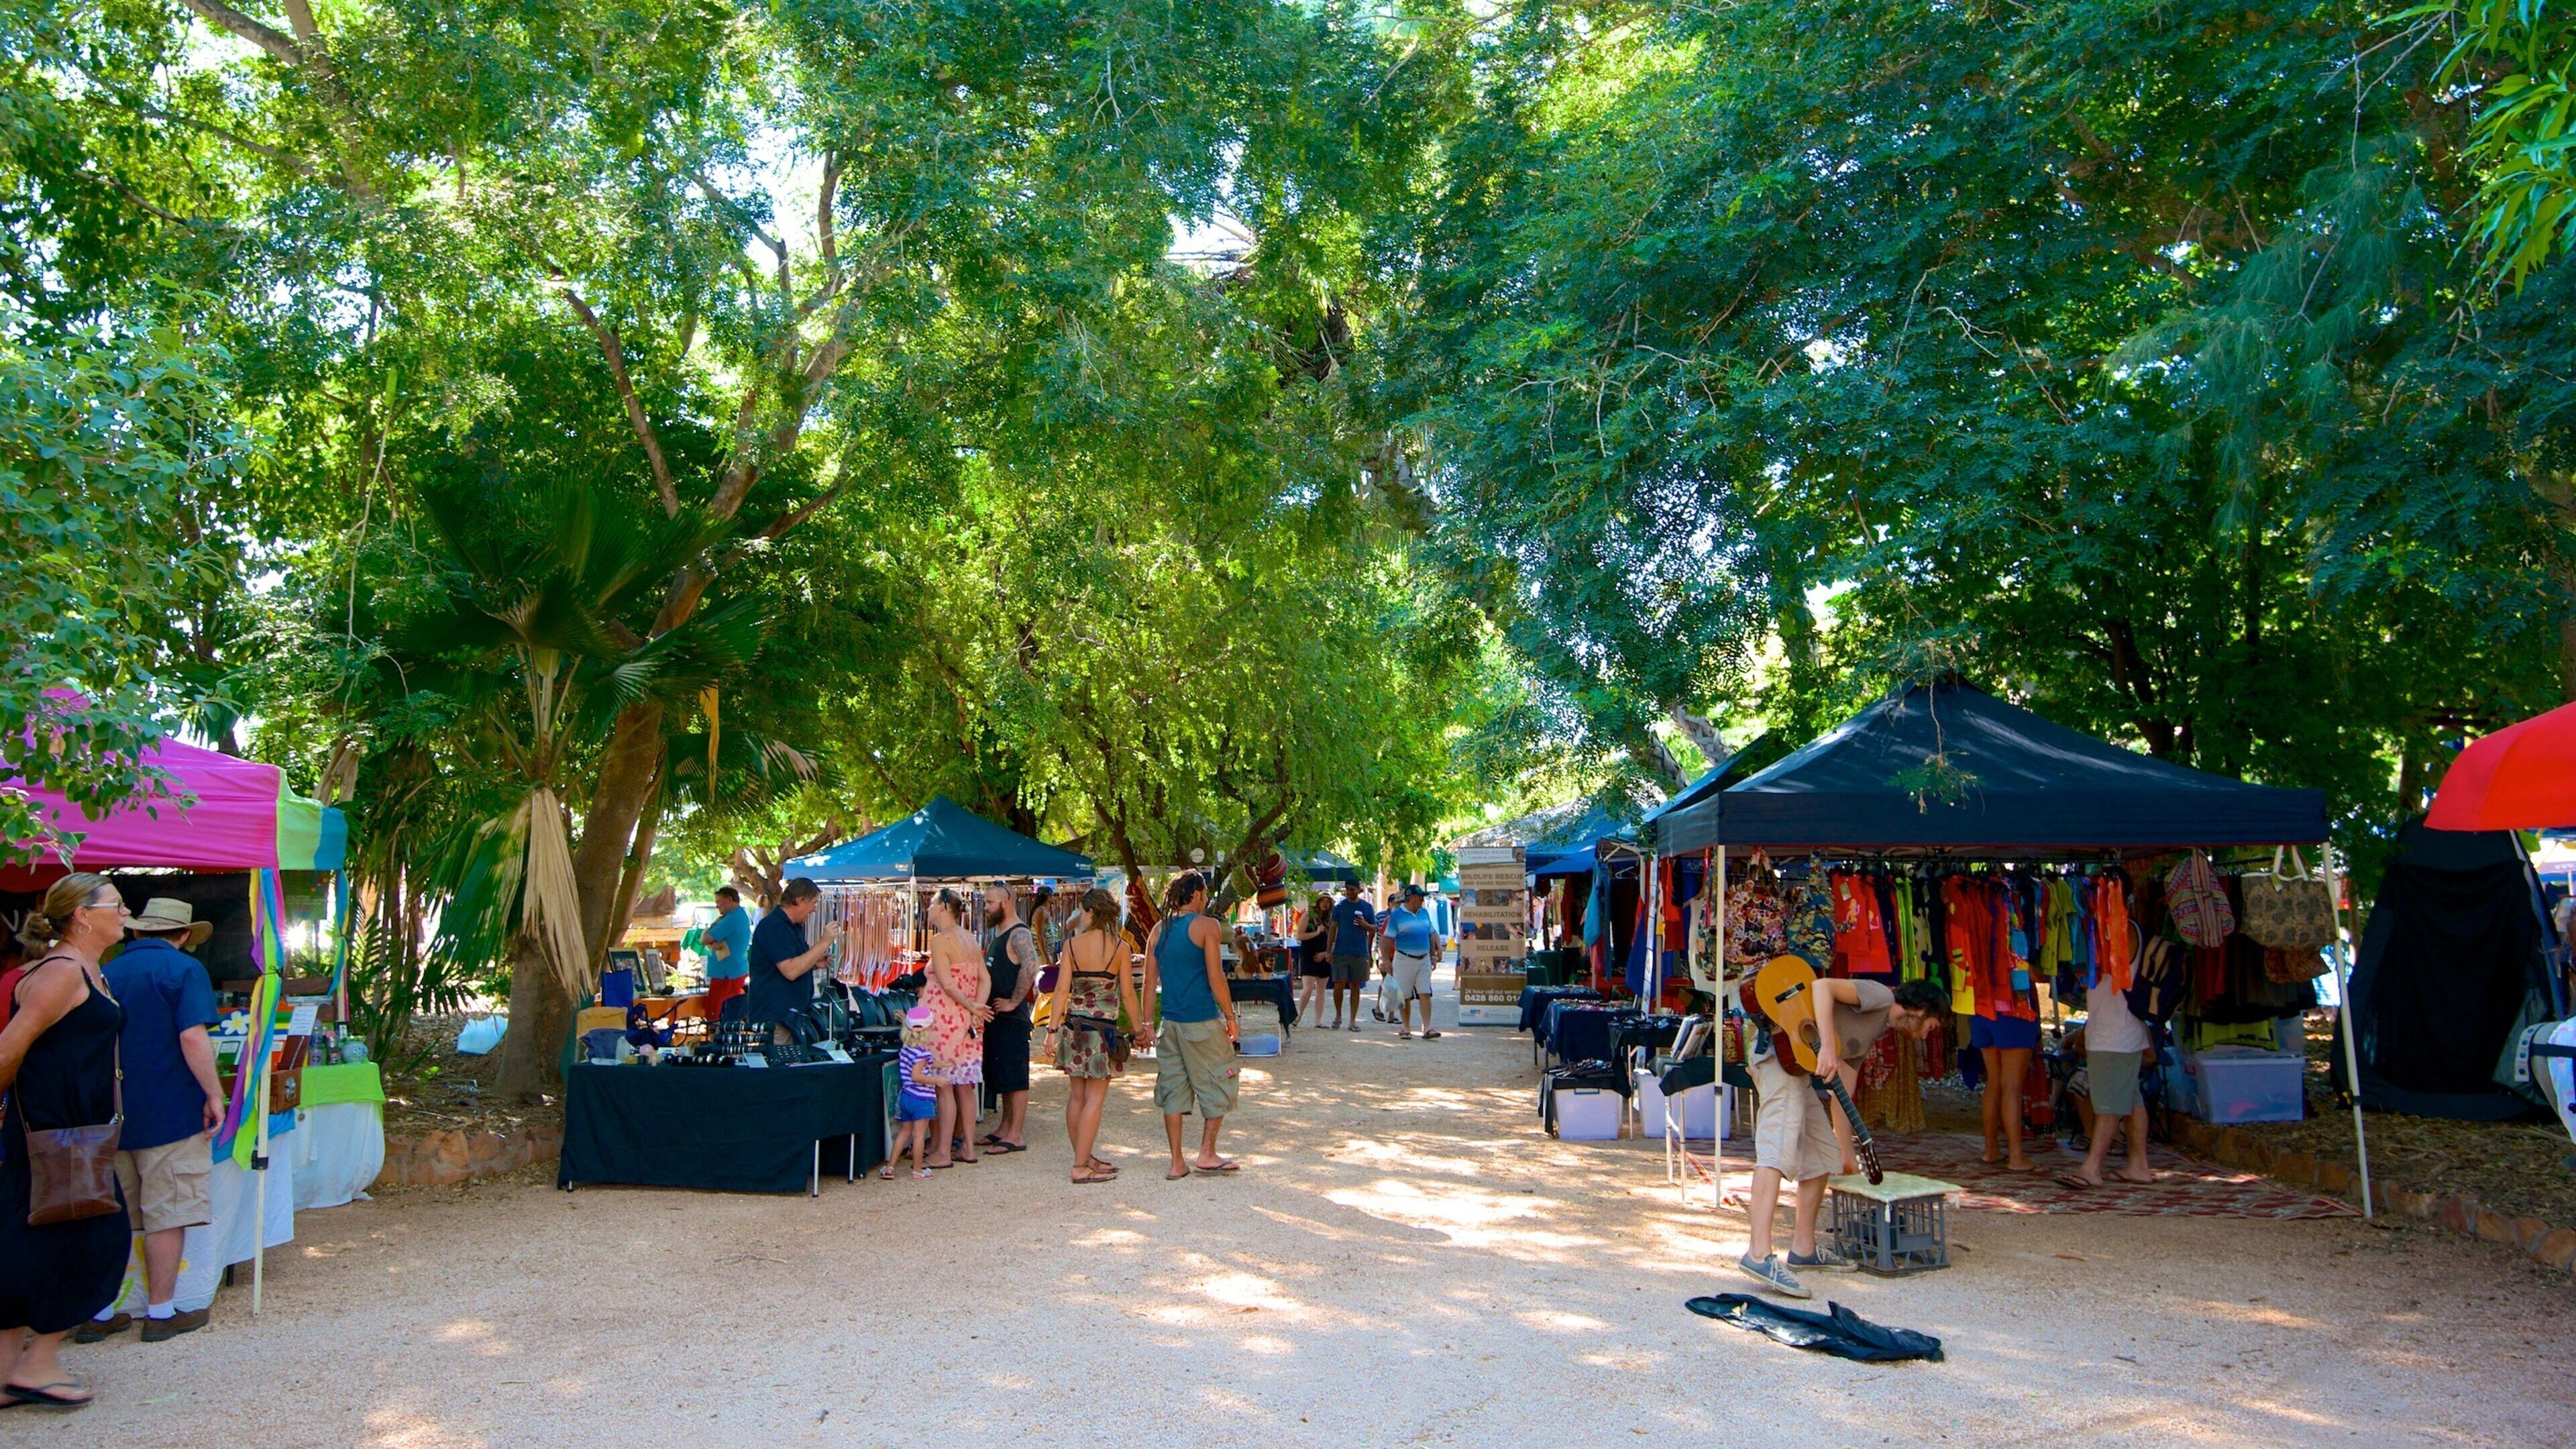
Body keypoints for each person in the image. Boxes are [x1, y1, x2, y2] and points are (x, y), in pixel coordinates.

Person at [0, 874, 137, 1409]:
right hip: (58, 1135)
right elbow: (9, 1050)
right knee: (94, 1240)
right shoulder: (61, 974)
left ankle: (10, 1368)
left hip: (69, 1132)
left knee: (24, 1236)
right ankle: (39, 1363)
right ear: (82, 915)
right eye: (117, 905)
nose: (125, 913)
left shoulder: (82, 970)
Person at [1738, 974, 1950, 1299]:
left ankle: (1804, 1250)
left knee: (1825, 1156)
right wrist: (1825, 1046)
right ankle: (1757, 1254)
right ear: (1920, 1009)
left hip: (1799, 1071)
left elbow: (1843, 1089)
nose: (1923, 1035)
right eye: (1929, 1027)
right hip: (1778, 1059)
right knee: (1776, 1152)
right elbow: (1823, 987)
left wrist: (1846, 1149)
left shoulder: (1876, 1029)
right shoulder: (1881, 996)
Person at [75, 899, 224, 1345]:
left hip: (108, 1113)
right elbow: (192, 1036)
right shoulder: (183, 971)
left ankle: (100, 1311)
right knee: (167, 1213)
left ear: (137, 932)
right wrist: (214, 1094)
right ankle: (159, 1312)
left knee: (113, 1213)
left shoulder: (100, 970)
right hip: (171, 1113)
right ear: (182, 936)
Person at [1143, 871, 1240, 1179]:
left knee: (1173, 1089)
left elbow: (1148, 982)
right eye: (1205, 893)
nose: (1207, 898)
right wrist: (1230, 1016)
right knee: (1218, 1082)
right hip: (1201, 1020)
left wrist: (1146, 1023)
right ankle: (1207, 1153)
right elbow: (1215, 977)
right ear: (1196, 894)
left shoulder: (1159, 930)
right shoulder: (1207, 926)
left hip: (1169, 1024)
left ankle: (1176, 1162)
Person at [1044, 887, 1144, 1185]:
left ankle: (1084, 1157)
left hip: (1074, 1027)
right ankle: (1079, 1165)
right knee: (1094, 1100)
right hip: (1104, 1031)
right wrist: (1139, 1031)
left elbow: (1061, 990)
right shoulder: (1120, 948)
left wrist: (1051, 1030)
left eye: (1082, 912)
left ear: (1090, 913)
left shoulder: (1071, 947)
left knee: (1076, 1096)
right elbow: (1127, 994)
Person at [2058, 973, 2158, 1189]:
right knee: (2132, 1100)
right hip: (2116, 1033)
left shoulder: (2115, 944)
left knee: (2108, 1106)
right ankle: (2138, 1165)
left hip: (2113, 1037)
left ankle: (2092, 1168)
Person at [918, 889, 989, 1168]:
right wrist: (976, 1008)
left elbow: (947, 985)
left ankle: (943, 1152)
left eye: (932, 905)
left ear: (944, 908)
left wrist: (973, 1007)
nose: (928, 910)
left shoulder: (941, 940)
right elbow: (985, 979)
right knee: (965, 1086)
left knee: (944, 1085)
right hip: (967, 1020)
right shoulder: (969, 938)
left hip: (944, 1018)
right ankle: (967, 1148)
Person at [977, 881, 1040, 1154]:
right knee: (1003, 1074)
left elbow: (1031, 965)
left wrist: (1014, 1001)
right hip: (997, 1018)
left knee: (1015, 1076)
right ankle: (1005, 1126)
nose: (986, 907)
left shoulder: (1019, 934)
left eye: (990, 903)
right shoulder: (1001, 933)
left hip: (1012, 1020)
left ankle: (1016, 1134)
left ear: (1005, 902)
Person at [741, 877, 840, 1026]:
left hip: (792, 1016)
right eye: (814, 903)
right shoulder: (773, 927)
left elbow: (792, 961)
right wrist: (824, 942)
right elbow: (791, 971)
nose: (814, 909)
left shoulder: (794, 927)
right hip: (777, 1018)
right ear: (800, 900)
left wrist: (813, 962)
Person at [1974, 1009, 2041, 1172]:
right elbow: (2037, 981)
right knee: (2012, 1086)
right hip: (2014, 1011)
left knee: (1994, 1081)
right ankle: (2016, 1157)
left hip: (1981, 1010)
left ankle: (1991, 1150)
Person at [1380, 883, 1445, 1041]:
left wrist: (1434, 955)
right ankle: (1406, 1028)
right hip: (1404, 959)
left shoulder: (1424, 913)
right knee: (1405, 996)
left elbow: (1430, 934)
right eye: (1420, 897)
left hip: (1423, 959)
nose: (1423, 900)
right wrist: (1386, 959)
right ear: (1412, 898)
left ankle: (1427, 1028)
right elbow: (1386, 939)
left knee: (1425, 993)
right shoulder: (1396, 916)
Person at [884, 1008, 939, 1181]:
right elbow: (918, 1075)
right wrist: (937, 1081)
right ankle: (917, 1170)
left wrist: (942, 1064)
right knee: (919, 1135)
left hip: (906, 1096)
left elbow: (918, 1069)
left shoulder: (907, 1048)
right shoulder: (923, 1053)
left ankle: (890, 1167)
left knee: (904, 1133)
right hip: (922, 1097)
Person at [1326, 881, 1378, 1032]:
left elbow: (1374, 929)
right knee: (1339, 984)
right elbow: (1333, 929)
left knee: (1356, 985)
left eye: (1352, 890)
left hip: (1360, 952)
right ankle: (1338, 1016)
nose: (1349, 892)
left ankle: (1353, 1020)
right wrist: (1329, 950)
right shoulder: (1340, 907)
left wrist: (1364, 924)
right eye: (1347, 890)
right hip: (1341, 951)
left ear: (1359, 890)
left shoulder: (1367, 907)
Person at [700, 885, 752, 1019]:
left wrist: (711, 933)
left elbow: (705, 939)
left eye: (719, 902)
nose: (717, 906)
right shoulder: (741, 914)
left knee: (717, 1013)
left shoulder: (732, 919)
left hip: (727, 974)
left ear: (729, 900)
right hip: (730, 971)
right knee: (725, 1010)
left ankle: (716, 1037)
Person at [1293, 893, 1332, 1028]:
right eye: (1323, 901)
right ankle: (1298, 1015)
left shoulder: (1330, 919)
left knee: (1321, 989)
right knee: (1308, 987)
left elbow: (1334, 939)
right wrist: (1316, 932)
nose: (1325, 904)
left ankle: (1318, 1021)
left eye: (1328, 901)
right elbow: (1299, 935)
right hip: (1308, 954)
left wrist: (1326, 953)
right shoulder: (1308, 915)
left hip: (1324, 955)